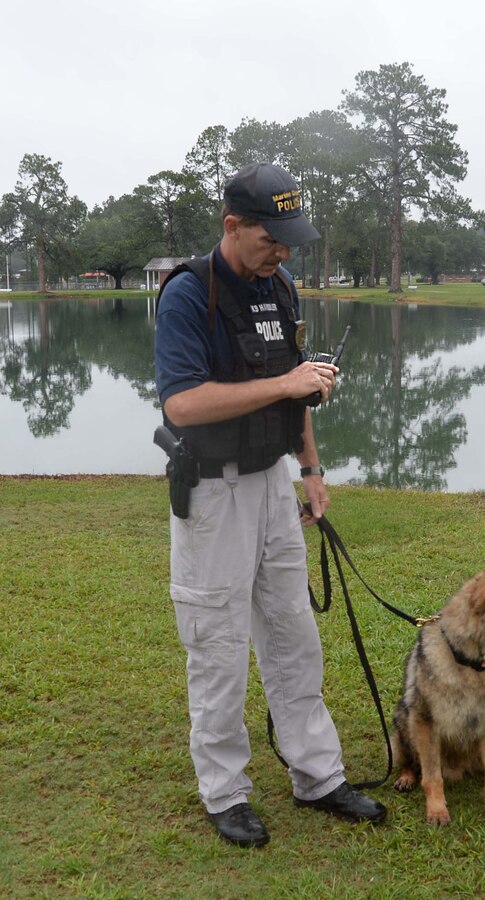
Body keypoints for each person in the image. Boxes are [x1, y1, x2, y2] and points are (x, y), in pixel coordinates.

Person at [154, 162, 387, 848]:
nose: (282, 252)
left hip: (272, 484)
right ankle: (225, 792)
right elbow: (184, 401)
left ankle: (318, 776)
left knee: (292, 635)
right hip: (213, 492)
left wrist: (310, 467)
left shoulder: (279, 287)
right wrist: (287, 381)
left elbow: (294, 391)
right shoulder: (187, 295)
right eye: (270, 238)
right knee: (218, 646)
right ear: (232, 226)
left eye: (290, 239)